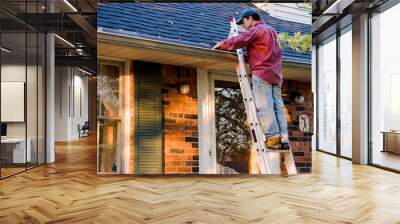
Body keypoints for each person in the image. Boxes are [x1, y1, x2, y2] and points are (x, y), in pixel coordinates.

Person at [213, 8, 289, 150]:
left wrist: (223, 44)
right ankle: (284, 138)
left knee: (264, 106)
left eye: (243, 22)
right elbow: (269, 52)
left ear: (250, 18)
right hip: (276, 75)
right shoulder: (271, 31)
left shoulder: (257, 30)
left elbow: (241, 40)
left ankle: (273, 138)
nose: (242, 26)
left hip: (262, 73)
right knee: (278, 106)